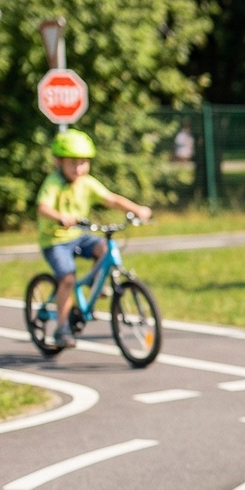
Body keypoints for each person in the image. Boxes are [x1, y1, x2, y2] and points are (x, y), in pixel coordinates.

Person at [35, 129, 151, 349]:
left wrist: (137, 209)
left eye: (83, 163)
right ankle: (61, 328)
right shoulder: (53, 182)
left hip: (78, 236)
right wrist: (60, 217)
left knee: (105, 248)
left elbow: (111, 199)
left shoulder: (86, 182)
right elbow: (42, 207)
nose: (79, 168)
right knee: (67, 278)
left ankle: (93, 284)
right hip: (55, 239)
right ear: (59, 162)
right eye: (73, 163)